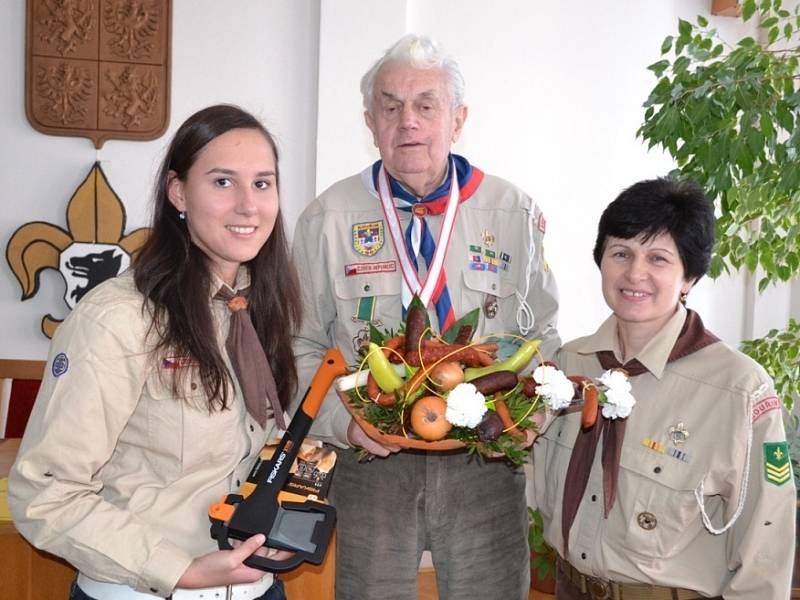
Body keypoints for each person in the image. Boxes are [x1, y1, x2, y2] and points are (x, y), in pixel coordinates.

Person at [291, 34, 560, 600]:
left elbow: (544, 337)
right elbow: (298, 345)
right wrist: (346, 424)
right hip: (371, 462)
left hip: (483, 463)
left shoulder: (513, 213)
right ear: (370, 121)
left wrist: (529, 419)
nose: (407, 121)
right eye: (390, 106)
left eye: (425, 106)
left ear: (457, 119)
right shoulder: (328, 219)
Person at [9, 104, 300, 600]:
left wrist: (273, 524)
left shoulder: (257, 306)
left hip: (257, 588)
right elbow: (44, 493)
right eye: (224, 182)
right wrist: (181, 569)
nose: (249, 206)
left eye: (263, 183)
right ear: (178, 192)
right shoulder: (119, 319)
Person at [532, 178, 796, 599]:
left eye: (659, 258)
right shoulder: (569, 365)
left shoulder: (738, 389)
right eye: (621, 253)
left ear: (689, 276)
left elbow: (767, 548)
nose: (635, 273)